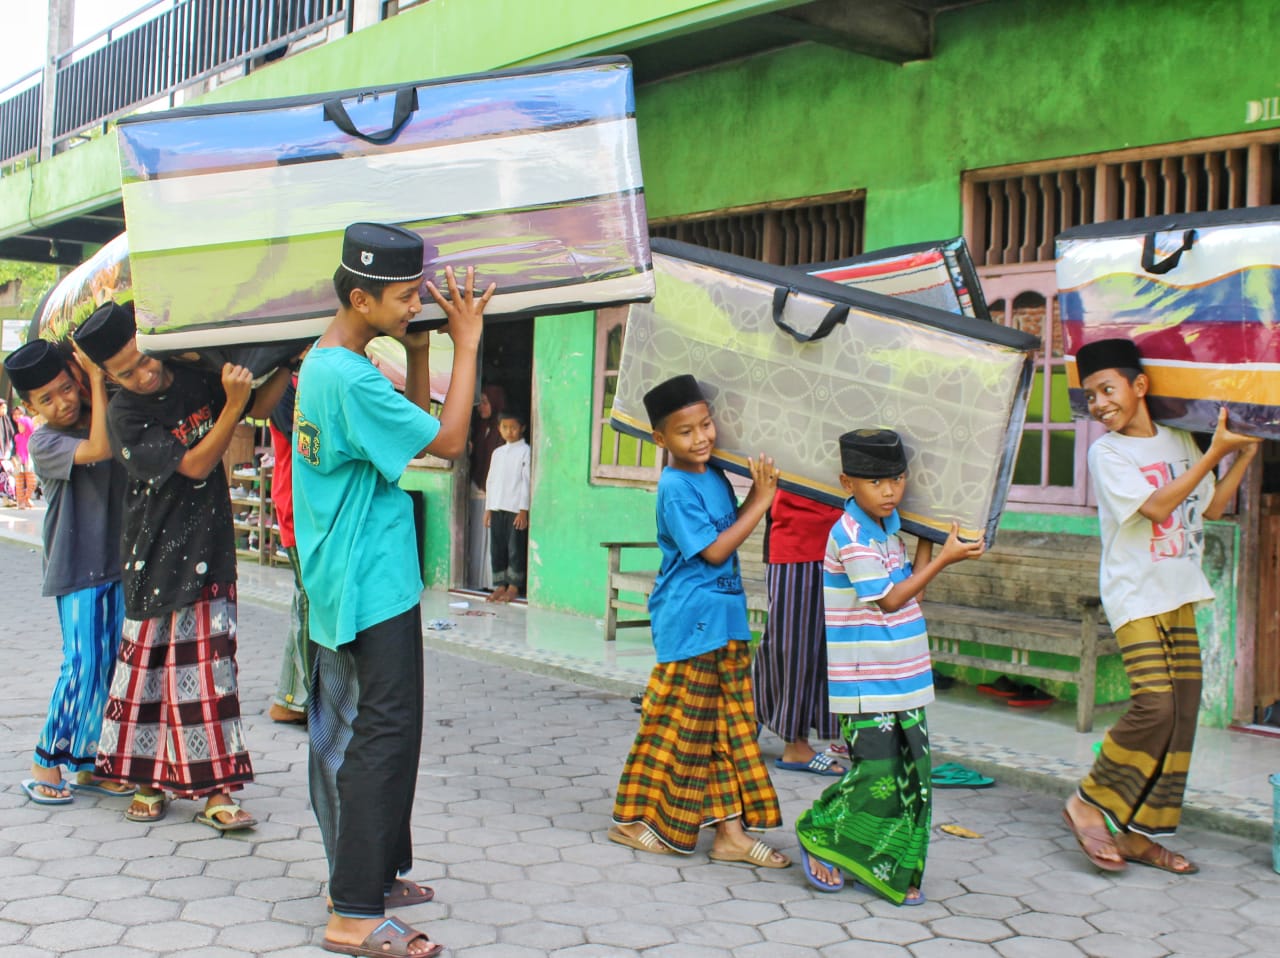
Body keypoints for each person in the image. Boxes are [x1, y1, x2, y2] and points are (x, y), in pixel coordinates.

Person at [293, 222, 491, 958]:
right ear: (359, 296)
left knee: (383, 732)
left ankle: (370, 873)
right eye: (406, 299)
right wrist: (466, 342)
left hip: (356, 576)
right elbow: (444, 443)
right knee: (383, 734)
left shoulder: (328, 363)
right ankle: (351, 909)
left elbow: (406, 435)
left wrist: (416, 351)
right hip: (368, 581)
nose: (417, 306)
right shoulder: (347, 377)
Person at [73, 299, 293, 831]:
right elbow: (195, 464)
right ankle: (149, 780)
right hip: (151, 557)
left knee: (209, 675)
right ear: (108, 375)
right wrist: (231, 406)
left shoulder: (196, 371)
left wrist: (287, 355)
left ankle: (217, 792)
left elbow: (259, 406)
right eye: (126, 370)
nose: (143, 372)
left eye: (143, 358)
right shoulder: (126, 413)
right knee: (148, 673)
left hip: (210, 550)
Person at [1061, 338, 1260, 875]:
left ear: (1139, 386)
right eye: (1091, 395)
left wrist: (1242, 455)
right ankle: (1087, 801)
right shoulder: (1108, 453)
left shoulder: (1179, 440)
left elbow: (1213, 506)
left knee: (1182, 715)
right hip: (1135, 593)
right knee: (1156, 707)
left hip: (1178, 590)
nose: (1100, 403)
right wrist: (1216, 453)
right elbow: (1155, 507)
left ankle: (1141, 834)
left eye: (1108, 389)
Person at [795, 428, 984, 904]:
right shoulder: (851, 535)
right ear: (847, 482)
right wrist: (944, 558)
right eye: (876, 481)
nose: (889, 490)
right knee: (873, 775)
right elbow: (889, 600)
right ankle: (819, 833)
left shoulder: (890, 529)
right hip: (865, 681)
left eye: (897, 479)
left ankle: (890, 862)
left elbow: (912, 591)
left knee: (913, 780)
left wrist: (927, 536)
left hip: (907, 675)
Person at [609, 374, 790, 868]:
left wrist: (754, 497)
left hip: (725, 618)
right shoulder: (674, 486)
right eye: (686, 431)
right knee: (674, 728)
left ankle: (730, 834)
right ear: (661, 439)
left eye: (706, 424)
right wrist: (759, 501)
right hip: (689, 622)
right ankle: (629, 820)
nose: (702, 437)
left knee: (728, 730)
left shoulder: (712, 474)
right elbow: (713, 551)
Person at [5, 340, 132, 805]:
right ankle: (45, 760)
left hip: (117, 566)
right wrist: (95, 379)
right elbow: (98, 449)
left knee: (110, 668)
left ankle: (92, 765)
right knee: (81, 666)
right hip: (76, 567)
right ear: (28, 407)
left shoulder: (105, 411)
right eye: (47, 399)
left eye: (65, 389)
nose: (62, 403)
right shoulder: (44, 441)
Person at [754, 489, 846, 776]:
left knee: (818, 648)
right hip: (798, 539)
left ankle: (744, 723)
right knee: (793, 647)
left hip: (838, 542)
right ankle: (795, 746)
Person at [266, 375, 310, 725]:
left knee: (304, 603)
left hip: (308, 509)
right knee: (311, 608)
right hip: (301, 510)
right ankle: (315, 699)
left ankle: (291, 699)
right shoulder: (285, 387)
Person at [484, 408, 530, 603]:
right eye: (505, 427)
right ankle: (499, 585)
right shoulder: (497, 453)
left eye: (513, 427)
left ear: (522, 429)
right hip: (497, 507)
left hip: (514, 508)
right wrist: (488, 508)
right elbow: (491, 480)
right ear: (499, 429)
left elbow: (527, 481)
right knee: (497, 547)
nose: (509, 431)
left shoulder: (525, 451)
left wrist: (523, 510)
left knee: (514, 548)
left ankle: (513, 586)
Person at [467, 384, 505, 589]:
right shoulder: (481, 428)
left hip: (492, 493)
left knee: (490, 539)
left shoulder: (501, 431)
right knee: (476, 539)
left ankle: (490, 582)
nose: (480, 407)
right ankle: (475, 581)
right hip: (477, 489)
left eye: (484, 402)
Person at [11, 400, 35, 508]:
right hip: (18, 459)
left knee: (31, 482)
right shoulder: (16, 437)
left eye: (21, 425)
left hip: (29, 460)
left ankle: (27, 498)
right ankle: (20, 501)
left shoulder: (32, 438)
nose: (19, 427)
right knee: (19, 482)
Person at [0, 397, 15, 506]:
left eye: (5, 407)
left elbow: (10, 437)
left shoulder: (6, 421)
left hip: (5, 455)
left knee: (6, 477)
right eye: (2, 407)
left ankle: (7, 499)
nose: (4, 410)